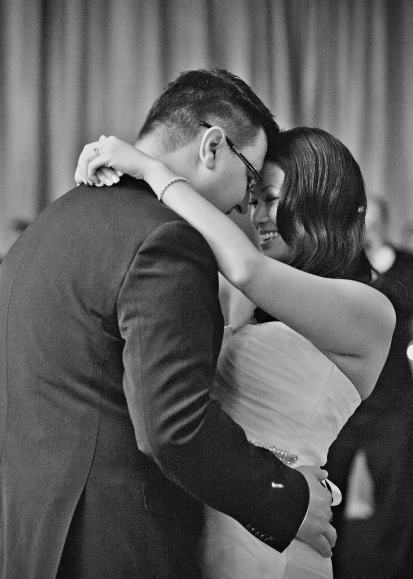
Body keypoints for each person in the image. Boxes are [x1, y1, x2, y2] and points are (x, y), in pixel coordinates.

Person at [0, 69, 364, 578]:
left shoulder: (50, 224)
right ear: (212, 147)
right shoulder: (165, 241)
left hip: (18, 536)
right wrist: (286, 496)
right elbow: (174, 426)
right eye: (250, 176)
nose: (245, 204)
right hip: (105, 544)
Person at [75, 125, 393, 577]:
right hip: (209, 509)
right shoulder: (246, 293)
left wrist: (151, 169)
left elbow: (246, 267)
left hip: (279, 528)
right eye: (254, 200)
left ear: (320, 198)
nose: (257, 214)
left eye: (272, 198)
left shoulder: (370, 311)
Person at [325, 196, 413, 578]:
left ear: (385, 225)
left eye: (375, 223)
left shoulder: (407, 265)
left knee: (396, 496)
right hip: (347, 396)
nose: (368, 231)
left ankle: (394, 569)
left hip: (392, 397)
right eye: (362, 223)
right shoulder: (341, 265)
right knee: (329, 488)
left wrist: (381, 263)